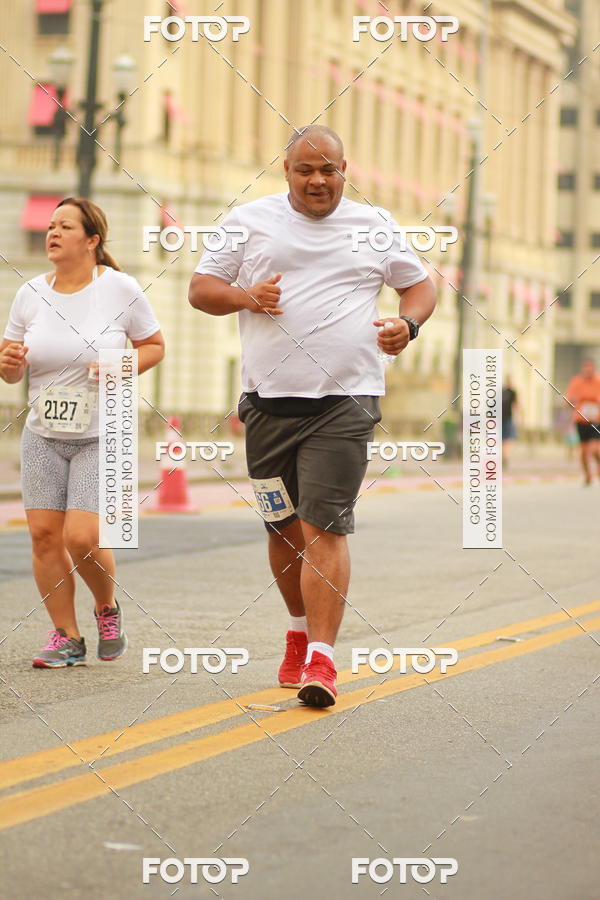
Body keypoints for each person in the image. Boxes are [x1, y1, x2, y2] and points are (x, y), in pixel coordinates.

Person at [188, 125, 436, 707]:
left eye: (329, 170)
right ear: (287, 171)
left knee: (324, 526)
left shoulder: (374, 224)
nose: (318, 180)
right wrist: (247, 297)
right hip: (268, 404)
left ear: (346, 170)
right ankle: (298, 632)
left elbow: (420, 285)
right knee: (282, 528)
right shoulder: (249, 221)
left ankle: (321, 659)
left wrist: (408, 325)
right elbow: (201, 289)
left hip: (345, 402)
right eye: (306, 170)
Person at [0, 197, 164, 667]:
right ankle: (66, 636)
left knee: (81, 537)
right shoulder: (30, 293)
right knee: (43, 536)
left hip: (102, 434)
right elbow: (12, 367)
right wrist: (8, 364)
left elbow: (154, 345)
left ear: (92, 240)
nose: (52, 232)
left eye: (65, 226)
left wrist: (119, 365)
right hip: (42, 434)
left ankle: (106, 607)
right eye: (50, 225)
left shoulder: (119, 288)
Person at [565, 359, 600, 485]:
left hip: (596, 420)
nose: (588, 371)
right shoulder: (576, 382)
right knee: (584, 451)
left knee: (594, 449)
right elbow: (568, 400)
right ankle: (587, 474)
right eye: (585, 368)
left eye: (590, 368)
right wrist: (572, 403)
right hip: (581, 420)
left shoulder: (598, 381)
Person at [501, 378, 518, 468]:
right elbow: (516, 405)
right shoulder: (512, 392)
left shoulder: (500, 393)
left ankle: (503, 455)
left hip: (499, 418)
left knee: (501, 438)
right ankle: (505, 455)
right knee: (507, 439)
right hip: (508, 418)